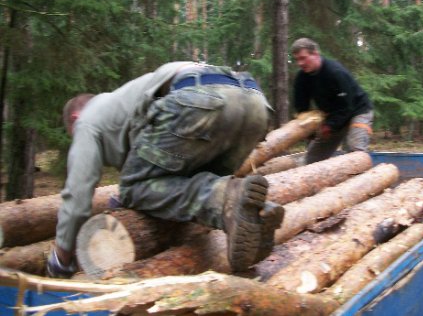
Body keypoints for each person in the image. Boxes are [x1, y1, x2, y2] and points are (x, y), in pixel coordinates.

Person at [47, 62, 284, 278]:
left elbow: (77, 196)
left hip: (200, 100)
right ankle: (258, 212)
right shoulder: (121, 104)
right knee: (202, 182)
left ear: (75, 117)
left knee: (133, 189)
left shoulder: (87, 121)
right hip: (254, 101)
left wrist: (62, 257)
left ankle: (225, 198)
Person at [291, 38, 374, 164]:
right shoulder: (302, 79)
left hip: (358, 111)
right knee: (312, 159)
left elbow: (347, 106)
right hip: (333, 116)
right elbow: (301, 107)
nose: (300, 63)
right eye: (297, 59)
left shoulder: (335, 72)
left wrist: (330, 126)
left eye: (303, 58)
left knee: (355, 153)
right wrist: (308, 129)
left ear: (315, 54)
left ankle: (361, 178)